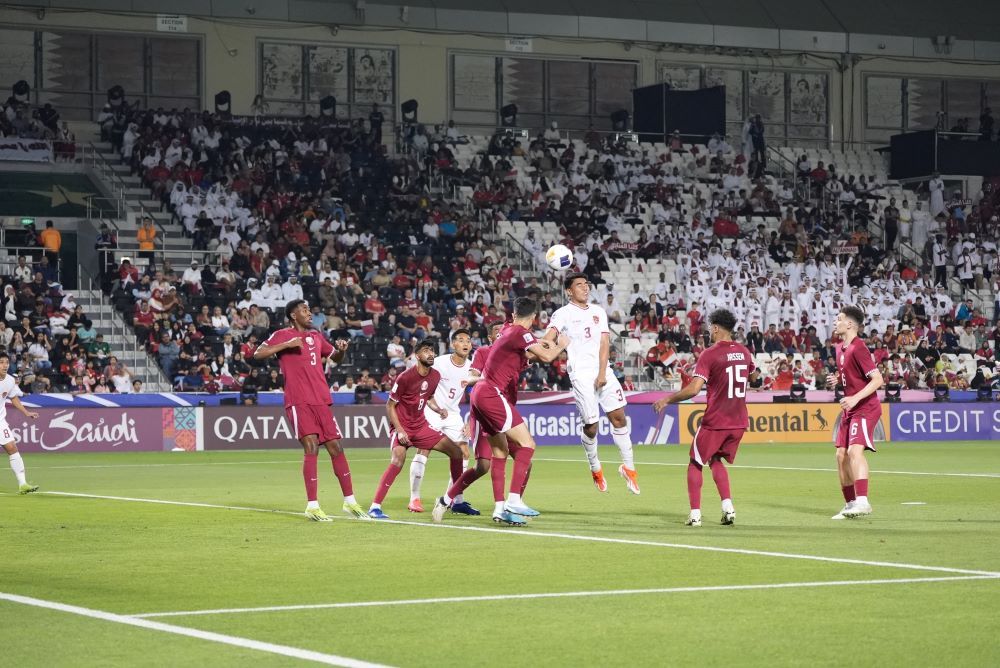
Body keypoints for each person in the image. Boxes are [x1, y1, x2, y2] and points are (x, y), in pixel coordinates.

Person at [432, 297, 569, 525]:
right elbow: (545, 355)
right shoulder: (517, 333)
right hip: (492, 395)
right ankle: (513, 500)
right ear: (533, 318)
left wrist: (550, 337)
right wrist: (562, 344)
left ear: (513, 315)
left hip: (483, 395)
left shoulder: (509, 331)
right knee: (528, 445)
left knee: (500, 453)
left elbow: (536, 349)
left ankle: (458, 502)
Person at [253, 299, 368, 522]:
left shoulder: (316, 336)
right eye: (304, 310)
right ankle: (313, 505)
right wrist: (286, 345)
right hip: (298, 400)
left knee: (336, 446)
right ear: (293, 315)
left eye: (309, 309)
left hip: (321, 400)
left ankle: (350, 501)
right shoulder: (282, 334)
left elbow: (334, 356)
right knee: (312, 446)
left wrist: (342, 351)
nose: (309, 313)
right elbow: (258, 354)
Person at [653, 309, 753, 526]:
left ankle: (695, 515)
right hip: (739, 421)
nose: (709, 331)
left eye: (710, 327)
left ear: (716, 328)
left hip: (716, 420)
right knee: (715, 459)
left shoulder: (710, 353)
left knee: (695, 461)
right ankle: (728, 507)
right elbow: (754, 376)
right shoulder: (744, 352)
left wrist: (667, 400)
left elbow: (693, 390)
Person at [543, 273, 639, 494]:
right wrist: (549, 342)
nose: (585, 288)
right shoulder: (563, 313)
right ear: (569, 291)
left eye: (586, 285)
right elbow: (549, 335)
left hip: (603, 371)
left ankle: (629, 468)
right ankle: (595, 468)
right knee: (592, 426)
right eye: (579, 285)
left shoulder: (598, 311)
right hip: (581, 374)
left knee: (619, 417)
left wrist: (603, 372)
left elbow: (604, 343)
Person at [367, 340, 466, 520]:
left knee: (457, 452)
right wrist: (399, 430)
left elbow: (428, 398)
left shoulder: (435, 376)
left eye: (432, 351)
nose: (431, 354)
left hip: (420, 426)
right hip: (402, 426)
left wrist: (438, 409)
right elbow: (390, 406)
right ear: (417, 356)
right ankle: (375, 507)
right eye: (426, 350)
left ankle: (452, 498)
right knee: (398, 459)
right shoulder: (405, 377)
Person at [407, 328, 482, 515]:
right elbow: (420, 380)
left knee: (464, 453)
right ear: (452, 344)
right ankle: (414, 498)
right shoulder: (439, 363)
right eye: (461, 340)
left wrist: (470, 421)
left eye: (468, 340)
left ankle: (455, 500)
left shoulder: (472, 369)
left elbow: (476, 396)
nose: (466, 343)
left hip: (453, 415)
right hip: (432, 411)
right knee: (424, 449)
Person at [826, 306, 884, 520]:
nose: (835, 322)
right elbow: (850, 374)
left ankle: (863, 501)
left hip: (865, 407)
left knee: (853, 452)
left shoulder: (859, 347)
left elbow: (878, 379)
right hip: (850, 407)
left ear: (849, 324)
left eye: (839, 319)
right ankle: (850, 504)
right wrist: (837, 379)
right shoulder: (840, 347)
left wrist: (854, 398)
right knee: (840, 455)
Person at [0, 352, 40, 494]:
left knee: (12, 448)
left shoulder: (10, 380)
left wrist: (26, 413)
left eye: (6, 362)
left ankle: (22, 484)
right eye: (1, 362)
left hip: (0, 421)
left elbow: (13, 398)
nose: (5, 365)